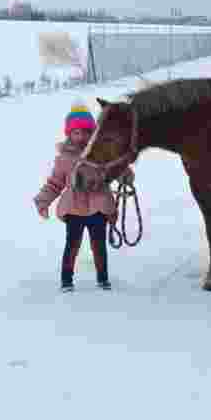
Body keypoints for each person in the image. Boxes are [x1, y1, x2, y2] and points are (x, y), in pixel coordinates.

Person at [34, 103, 132, 293]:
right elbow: (55, 183)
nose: (81, 136)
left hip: (99, 207)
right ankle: (66, 280)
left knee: (99, 245)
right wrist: (43, 201)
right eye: (77, 132)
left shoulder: (101, 153)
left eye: (86, 132)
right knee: (72, 244)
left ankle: (103, 278)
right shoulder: (64, 158)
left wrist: (125, 175)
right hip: (74, 209)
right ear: (69, 134)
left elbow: (117, 168)